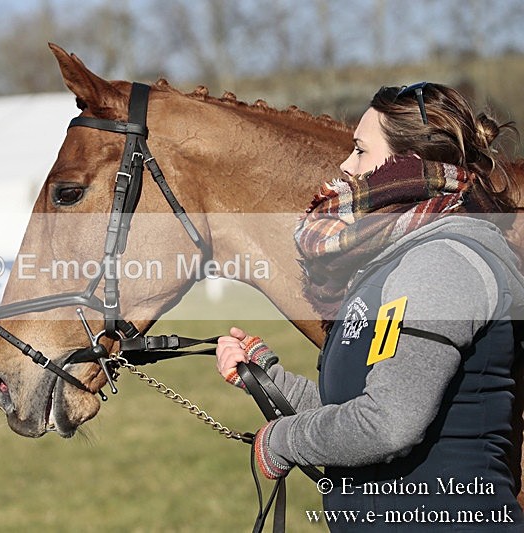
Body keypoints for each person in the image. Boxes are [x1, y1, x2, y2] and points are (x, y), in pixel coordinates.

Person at [216, 82, 524, 531]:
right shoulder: (399, 261)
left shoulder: (443, 262)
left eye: (360, 150)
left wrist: (283, 441)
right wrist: (266, 376)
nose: (346, 165)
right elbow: (358, 404)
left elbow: (388, 424)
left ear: (408, 162)